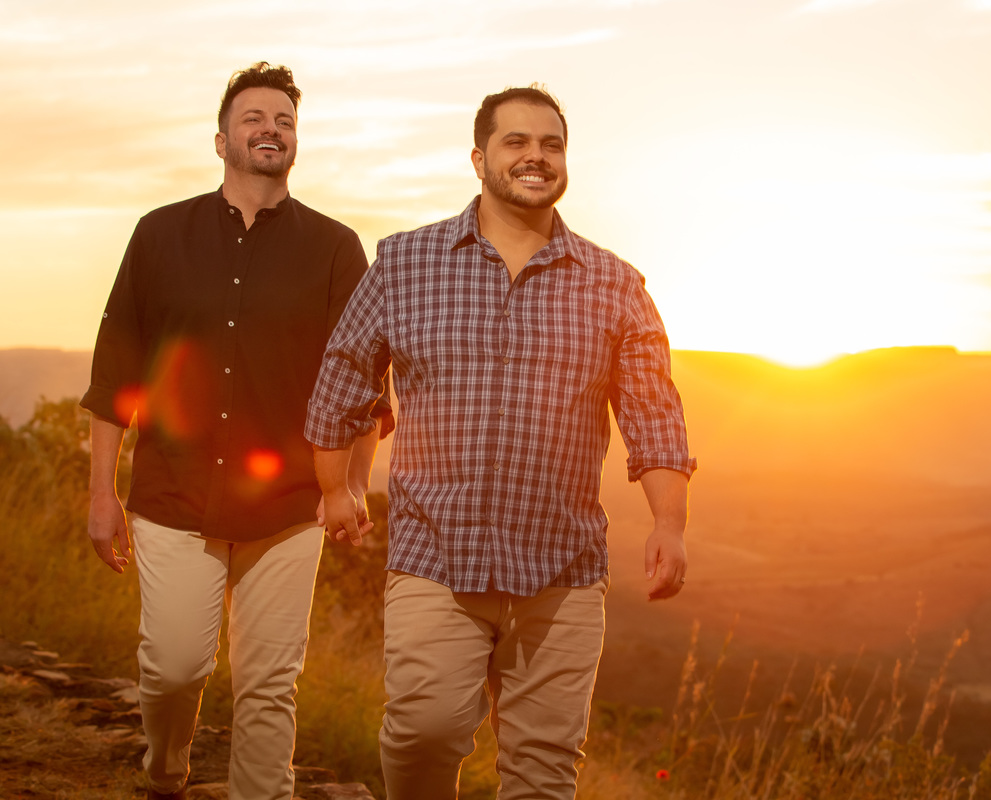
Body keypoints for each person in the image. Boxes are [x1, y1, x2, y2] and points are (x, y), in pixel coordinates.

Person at [305, 85, 696, 799]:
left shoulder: (614, 284)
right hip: (434, 557)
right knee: (422, 733)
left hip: (561, 570)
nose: (535, 156)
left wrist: (668, 522)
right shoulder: (406, 262)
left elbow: (654, 414)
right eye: (516, 141)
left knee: (542, 771)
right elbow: (343, 376)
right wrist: (337, 489)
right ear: (479, 157)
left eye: (551, 144)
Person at [82, 62, 390, 800]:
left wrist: (349, 485)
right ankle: (166, 771)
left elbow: (362, 386)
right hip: (172, 497)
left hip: (288, 506)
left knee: (269, 683)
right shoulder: (159, 235)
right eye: (254, 118)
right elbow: (115, 371)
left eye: (284, 120)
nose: (270, 129)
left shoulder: (336, 248)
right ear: (221, 140)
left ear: (296, 142)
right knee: (174, 667)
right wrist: (101, 494)